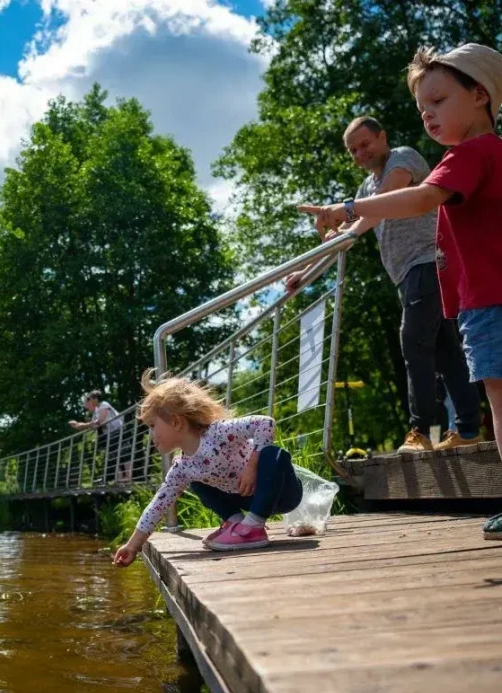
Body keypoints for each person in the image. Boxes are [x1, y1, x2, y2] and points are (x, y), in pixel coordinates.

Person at [298, 43, 502, 540]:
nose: (429, 114)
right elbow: (370, 228)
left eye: (438, 101)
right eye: (422, 108)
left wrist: (344, 208)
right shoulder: (466, 159)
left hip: (469, 291)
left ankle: (427, 429)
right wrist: (309, 270)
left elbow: (418, 200)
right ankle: (459, 428)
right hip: (474, 298)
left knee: (473, 381)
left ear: (480, 95)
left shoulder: (456, 155)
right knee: (461, 367)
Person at [289, 116, 481, 453]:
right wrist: (305, 274)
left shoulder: (402, 159)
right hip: (407, 276)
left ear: (382, 137)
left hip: (429, 262)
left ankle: (420, 431)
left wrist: (345, 213)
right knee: (446, 351)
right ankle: (467, 429)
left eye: (365, 144)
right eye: (353, 150)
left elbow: (388, 198)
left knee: (413, 343)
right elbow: (347, 239)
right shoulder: (364, 191)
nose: (360, 153)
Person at [112, 375, 303, 562]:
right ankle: (236, 523)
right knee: (196, 480)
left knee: (273, 454)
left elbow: (265, 423)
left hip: (283, 493)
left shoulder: (218, 432)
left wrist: (252, 466)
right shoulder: (183, 466)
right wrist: (132, 546)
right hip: (247, 498)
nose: (150, 434)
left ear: (177, 422)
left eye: (153, 425)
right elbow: (158, 504)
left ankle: (252, 528)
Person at [69, 390, 132, 483]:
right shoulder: (96, 411)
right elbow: (93, 426)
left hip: (118, 433)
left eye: (89, 399)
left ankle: (128, 478)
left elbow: (99, 422)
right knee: (115, 457)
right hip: (110, 436)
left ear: (95, 399)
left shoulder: (103, 405)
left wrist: (82, 425)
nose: (88, 401)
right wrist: (79, 425)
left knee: (124, 455)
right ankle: (120, 480)